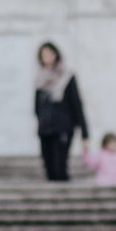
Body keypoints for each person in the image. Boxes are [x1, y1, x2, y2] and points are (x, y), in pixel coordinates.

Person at [34, 42, 89, 184]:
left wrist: (84, 133)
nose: (47, 57)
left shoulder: (67, 77)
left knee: (60, 167)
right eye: (44, 54)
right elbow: (37, 107)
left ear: (56, 54)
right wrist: (41, 122)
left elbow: (77, 104)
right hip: (45, 129)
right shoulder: (40, 79)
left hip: (63, 127)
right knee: (49, 168)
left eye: (49, 53)